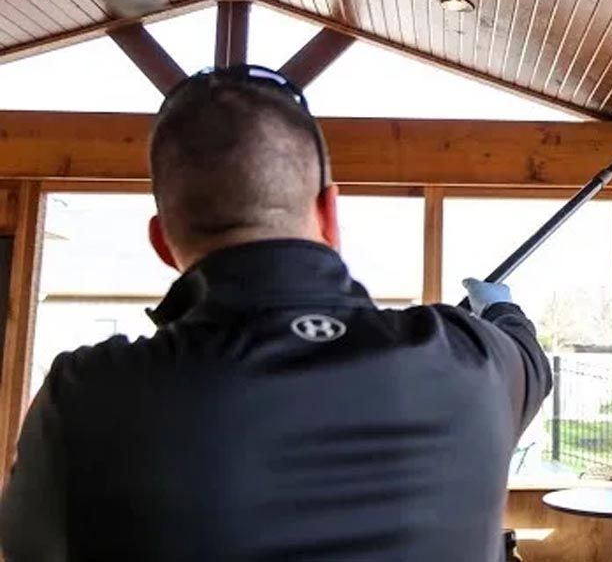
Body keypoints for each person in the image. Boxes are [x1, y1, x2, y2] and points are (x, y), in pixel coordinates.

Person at [0, 65, 551, 561]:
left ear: (163, 242)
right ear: (330, 212)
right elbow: (528, 354)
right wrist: (498, 306)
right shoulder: (474, 360)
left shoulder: (86, 396)